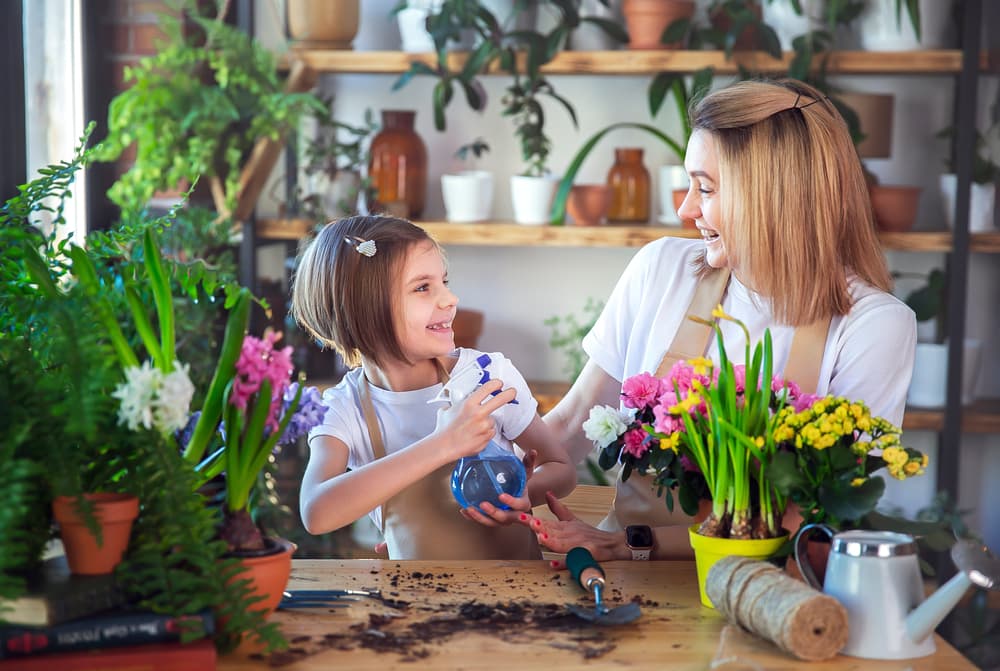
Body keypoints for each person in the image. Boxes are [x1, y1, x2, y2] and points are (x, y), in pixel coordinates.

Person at [520, 78, 917, 562]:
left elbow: (810, 519)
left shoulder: (874, 325)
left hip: (762, 591)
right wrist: (505, 479)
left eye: (705, 188)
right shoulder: (662, 268)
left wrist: (630, 545)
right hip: (621, 578)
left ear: (773, 196)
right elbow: (574, 419)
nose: (686, 209)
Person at [290, 214, 576, 560]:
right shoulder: (343, 408)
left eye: (444, 281)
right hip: (416, 606)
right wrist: (442, 445)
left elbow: (561, 468)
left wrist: (523, 490)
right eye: (423, 287)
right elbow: (316, 513)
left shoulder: (487, 377)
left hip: (520, 597)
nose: (450, 298)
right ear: (364, 309)